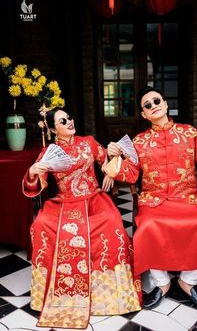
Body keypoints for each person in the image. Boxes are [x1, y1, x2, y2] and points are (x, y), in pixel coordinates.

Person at [104, 86, 197, 310]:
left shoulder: (189, 133)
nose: (153, 106)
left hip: (187, 199)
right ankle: (161, 283)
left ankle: (187, 281)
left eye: (157, 101)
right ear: (144, 114)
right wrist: (115, 162)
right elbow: (132, 173)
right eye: (147, 105)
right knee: (148, 227)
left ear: (165, 104)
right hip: (153, 201)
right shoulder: (139, 141)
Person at [22, 107, 141, 329]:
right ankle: (49, 294)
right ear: (52, 128)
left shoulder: (88, 142)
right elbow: (36, 183)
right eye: (62, 120)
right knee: (40, 225)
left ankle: (109, 295)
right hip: (63, 202)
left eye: (70, 117)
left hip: (93, 199)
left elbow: (107, 160)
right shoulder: (48, 152)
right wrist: (32, 172)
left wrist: (108, 171)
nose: (69, 121)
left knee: (112, 224)